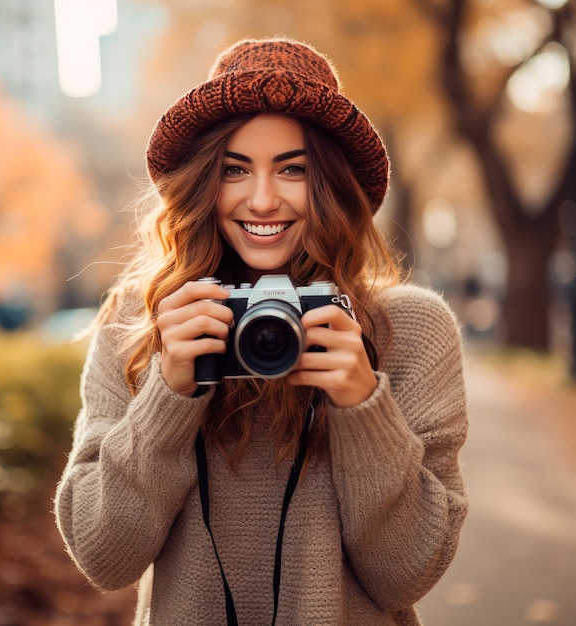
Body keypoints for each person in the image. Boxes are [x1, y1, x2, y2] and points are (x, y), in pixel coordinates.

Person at [54, 37, 468, 626]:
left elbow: (406, 574)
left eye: (293, 169)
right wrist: (167, 395)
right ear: (202, 184)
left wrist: (361, 405)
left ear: (331, 183)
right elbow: (102, 558)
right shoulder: (143, 321)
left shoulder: (412, 330)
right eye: (234, 170)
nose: (264, 199)